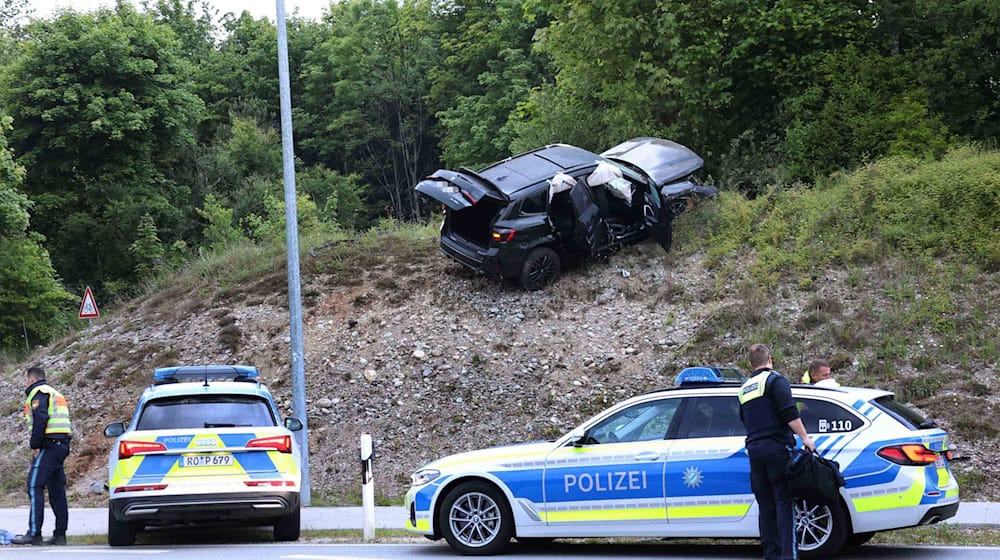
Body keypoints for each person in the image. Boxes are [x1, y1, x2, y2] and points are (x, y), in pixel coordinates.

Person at [738, 344, 816, 560]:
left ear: (750, 364)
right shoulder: (774, 380)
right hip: (777, 449)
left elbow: (744, 419)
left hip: (755, 451)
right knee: (784, 502)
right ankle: (787, 556)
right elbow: (789, 412)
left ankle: (771, 555)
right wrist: (805, 438)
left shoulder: (744, 389)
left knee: (766, 505)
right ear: (769, 359)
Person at [12, 366, 71, 546]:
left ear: (31, 379)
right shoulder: (55, 393)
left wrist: (35, 445)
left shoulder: (39, 392)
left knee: (34, 486)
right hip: (61, 445)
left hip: (48, 446)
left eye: (25, 379)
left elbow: (41, 418)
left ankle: (34, 533)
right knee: (56, 491)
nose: (25, 383)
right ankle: (60, 535)